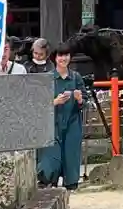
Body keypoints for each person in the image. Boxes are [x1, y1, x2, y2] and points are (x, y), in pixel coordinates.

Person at [38, 45, 88, 190]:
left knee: (71, 155)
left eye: (66, 55)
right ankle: (48, 181)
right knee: (51, 157)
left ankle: (71, 184)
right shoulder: (48, 78)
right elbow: (39, 104)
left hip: (72, 122)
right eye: (60, 55)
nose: (63, 58)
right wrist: (55, 102)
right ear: (55, 58)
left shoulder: (76, 77)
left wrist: (79, 99)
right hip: (52, 123)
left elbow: (85, 102)